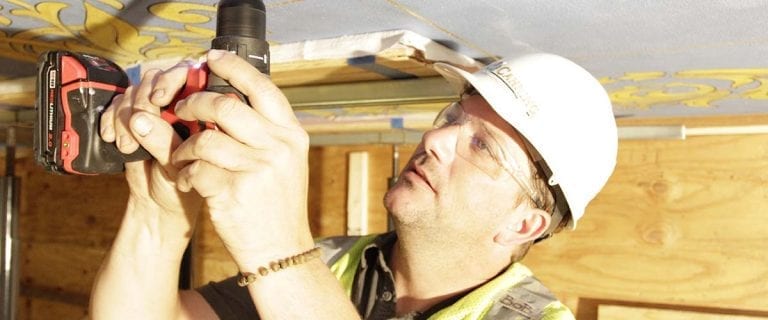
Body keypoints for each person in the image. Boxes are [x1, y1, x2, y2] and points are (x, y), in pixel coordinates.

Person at [89, 48, 617, 319]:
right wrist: (159, 210)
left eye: (482, 146)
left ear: (523, 223)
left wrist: (278, 247)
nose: (437, 140)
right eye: (452, 116)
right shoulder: (337, 261)